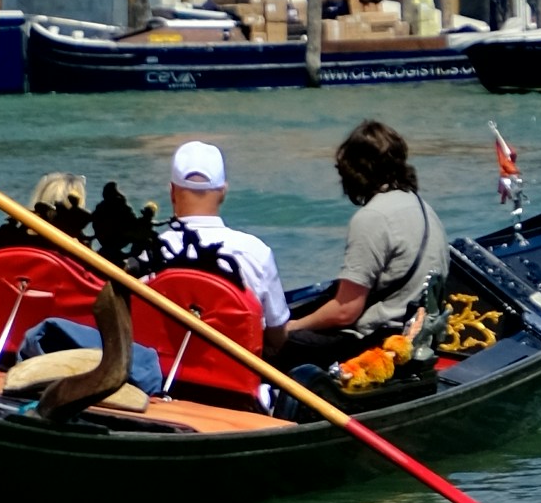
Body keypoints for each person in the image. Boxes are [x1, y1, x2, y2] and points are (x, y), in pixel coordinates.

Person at [272, 118, 450, 364]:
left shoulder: (372, 217)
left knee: (279, 340)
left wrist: (291, 327)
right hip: (415, 332)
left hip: (379, 341)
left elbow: (345, 311)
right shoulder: (422, 206)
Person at [154, 137, 290, 329]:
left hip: (167, 359)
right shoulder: (255, 253)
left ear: (172, 192)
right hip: (237, 358)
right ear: (223, 192)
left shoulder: (149, 254)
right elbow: (277, 335)